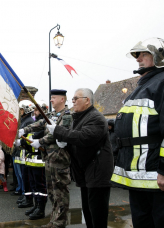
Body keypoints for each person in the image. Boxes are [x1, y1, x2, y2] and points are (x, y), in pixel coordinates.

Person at [111, 38, 164, 228]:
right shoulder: (142, 87)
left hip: (161, 179)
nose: (138, 58)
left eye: (143, 54)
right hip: (140, 179)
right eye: (136, 55)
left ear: (160, 57)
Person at [48, 88, 114, 228]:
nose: (73, 101)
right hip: (85, 172)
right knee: (88, 210)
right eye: (72, 99)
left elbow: (84, 137)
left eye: (75, 98)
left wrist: (59, 132)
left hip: (97, 172)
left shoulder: (96, 118)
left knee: (97, 213)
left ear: (87, 100)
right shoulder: (78, 118)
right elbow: (74, 139)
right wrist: (64, 143)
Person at [20, 89, 72, 228]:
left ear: (62, 99)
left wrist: (40, 141)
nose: (51, 100)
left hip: (59, 159)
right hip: (49, 157)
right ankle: (54, 220)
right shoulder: (52, 115)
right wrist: (24, 130)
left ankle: (60, 222)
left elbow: (57, 133)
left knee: (60, 191)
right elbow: (40, 124)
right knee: (52, 192)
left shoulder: (67, 116)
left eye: (54, 97)